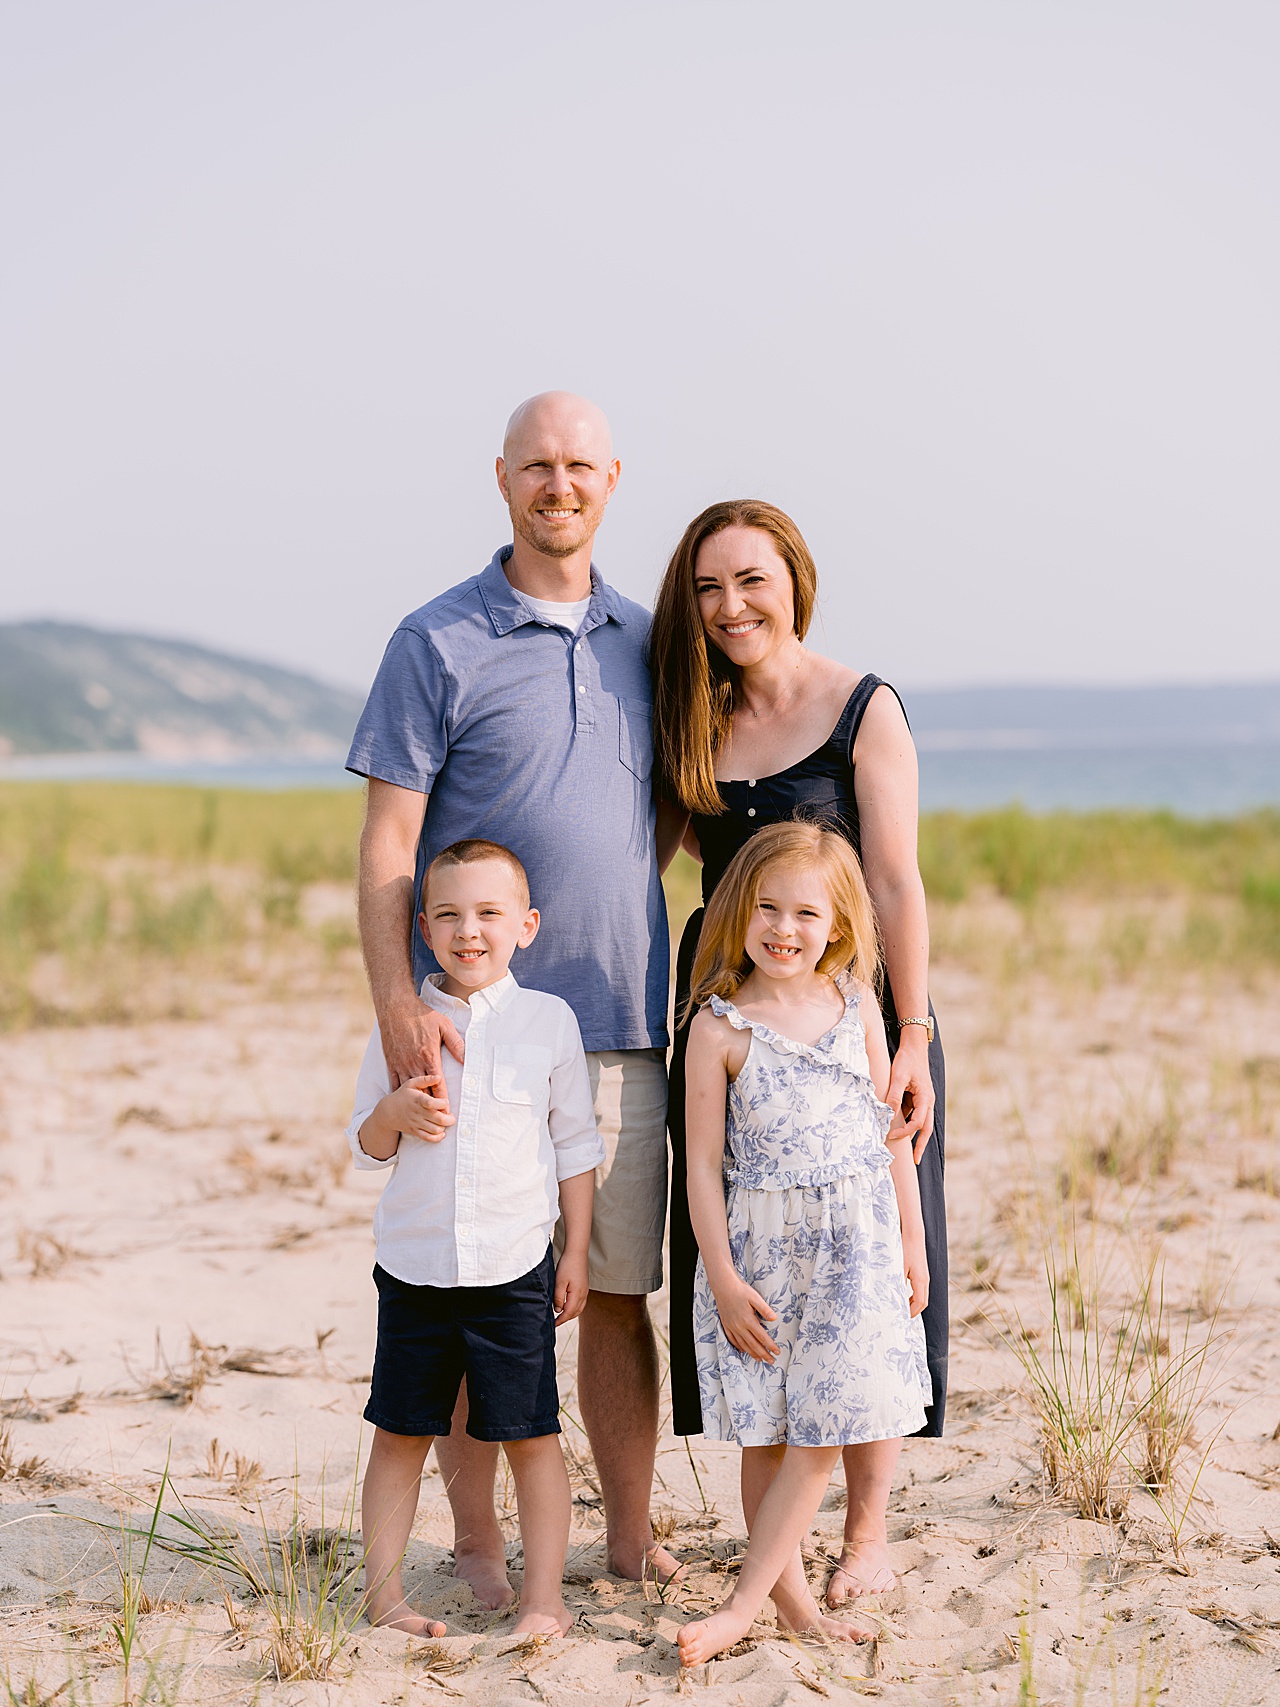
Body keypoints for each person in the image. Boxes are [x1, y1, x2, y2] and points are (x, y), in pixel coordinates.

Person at [346, 393, 679, 1603]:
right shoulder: (435, 640)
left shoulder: (652, 642)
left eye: (579, 463)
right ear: (500, 479)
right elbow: (388, 844)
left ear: (612, 478)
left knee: (613, 1295)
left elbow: (687, 806)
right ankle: (478, 1546)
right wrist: (398, 1007)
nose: (559, 483)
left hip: (626, 1029)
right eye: (537, 464)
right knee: (462, 1287)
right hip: (469, 1030)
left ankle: (628, 1537)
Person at [651, 498, 948, 1608]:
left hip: (859, 1018)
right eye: (708, 588)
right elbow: (676, 858)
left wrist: (910, 1032)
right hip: (730, 1025)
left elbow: (894, 883)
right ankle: (766, 1536)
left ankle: (865, 1533)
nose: (731, 607)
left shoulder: (860, 708)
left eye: (751, 580)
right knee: (755, 1270)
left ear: (794, 581)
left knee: (875, 1279)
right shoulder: (689, 720)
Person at [676, 823, 930, 1666]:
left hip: (857, 1252)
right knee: (771, 1436)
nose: (785, 928)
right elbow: (703, 1169)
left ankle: (740, 1608)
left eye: (807, 913)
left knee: (825, 1431)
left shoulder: (857, 1004)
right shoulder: (717, 1029)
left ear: (839, 926)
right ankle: (792, 1610)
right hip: (764, 1258)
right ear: (737, 909)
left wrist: (914, 1242)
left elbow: (888, 1135)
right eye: (768, 907)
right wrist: (718, 1273)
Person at [348, 839, 603, 1637]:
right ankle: (385, 1596)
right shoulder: (402, 1026)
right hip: (415, 1266)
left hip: (512, 1267)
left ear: (525, 925)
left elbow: (576, 1146)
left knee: (531, 1435)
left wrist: (577, 1251)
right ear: (422, 926)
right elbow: (367, 1142)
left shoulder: (547, 1022)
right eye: (450, 914)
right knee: (399, 1434)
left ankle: (544, 1600)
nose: (470, 931)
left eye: (489, 913)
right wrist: (393, 1115)